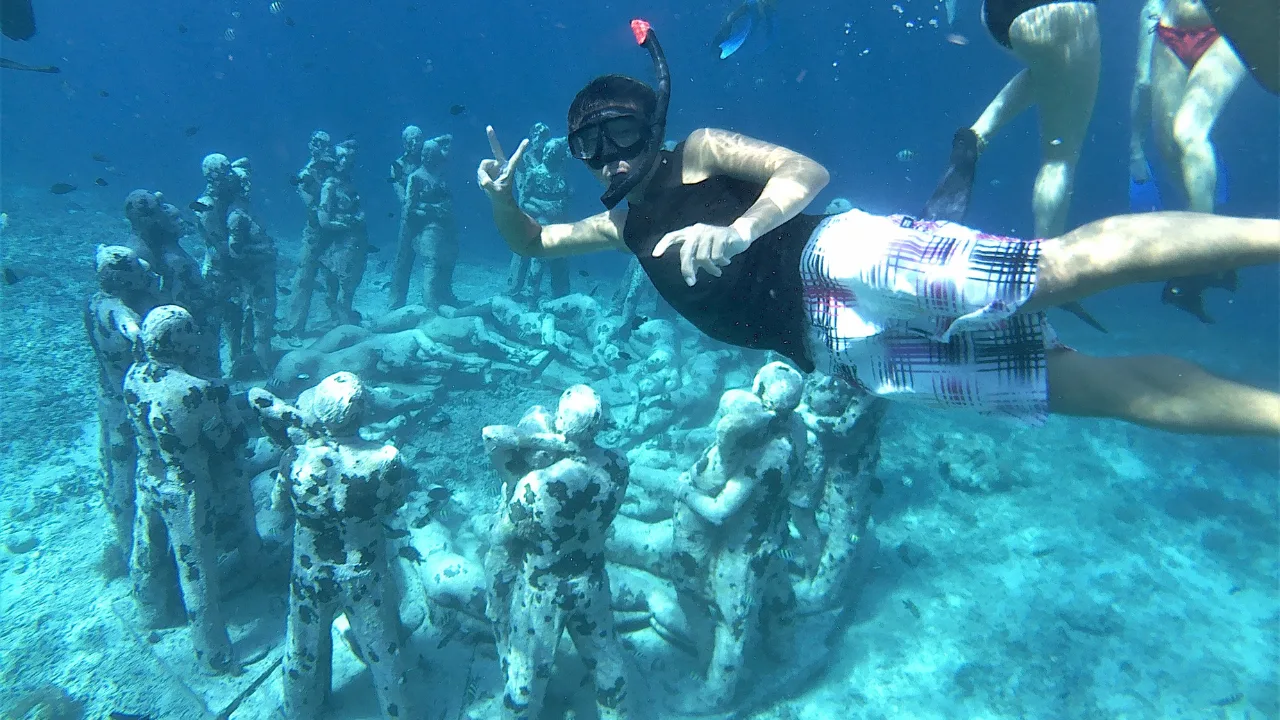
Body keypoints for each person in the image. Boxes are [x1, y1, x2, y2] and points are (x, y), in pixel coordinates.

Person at [477, 19, 1280, 437]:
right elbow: (535, 242)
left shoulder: (698, 152)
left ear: (651, 122)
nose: (609, 157)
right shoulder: (623, 230)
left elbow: (805, 174)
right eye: (590, 147)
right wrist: (504, 205)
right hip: (837, 352)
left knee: (1056, 269)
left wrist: (742, 228)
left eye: (619, 131)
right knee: (1072, 389)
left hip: (842, 254)